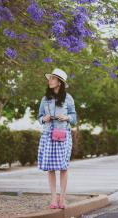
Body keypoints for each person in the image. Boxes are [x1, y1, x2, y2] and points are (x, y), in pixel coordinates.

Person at [37, 68, 77, 209]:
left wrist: (67, 117)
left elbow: (74, 117)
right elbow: (39, 117)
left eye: (53, 78)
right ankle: (53, 199)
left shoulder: (68, 98)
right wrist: (44, 119)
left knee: (63, 167)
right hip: (48, 135)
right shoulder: (44, 99)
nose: (50, 81)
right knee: (51, 168)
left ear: (59, 82)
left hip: (63, 135)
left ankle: (62, 199)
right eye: (50, 78)